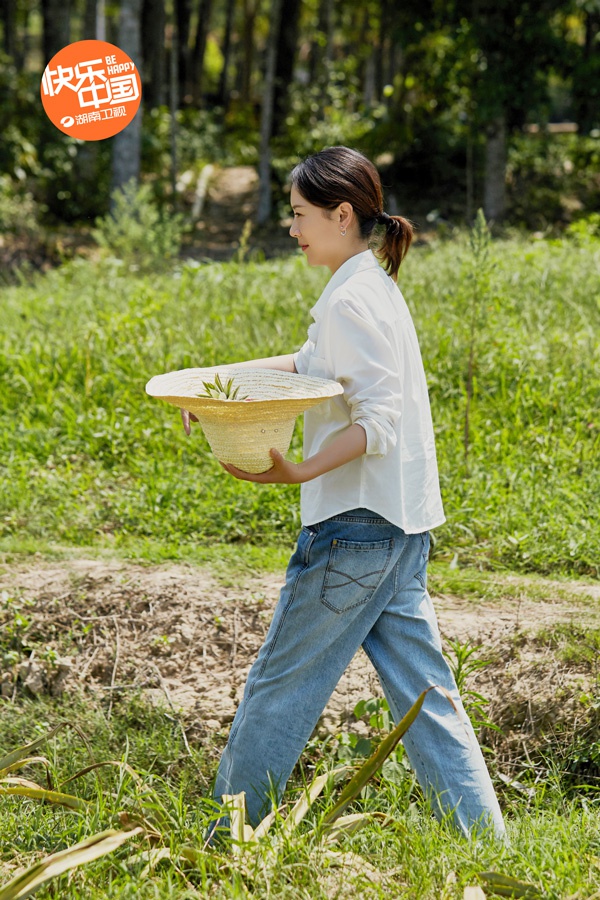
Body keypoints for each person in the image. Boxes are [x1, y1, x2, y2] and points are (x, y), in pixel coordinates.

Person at [183, 146, 505, 840]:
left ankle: (220, 843)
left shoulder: (353, 299)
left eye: (300, 215)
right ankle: (486, 844)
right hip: (400, 529)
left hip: (354, 530)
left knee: (279, 688)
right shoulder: (367, 286)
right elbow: (307, 367)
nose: (292, 228)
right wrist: (216, 381)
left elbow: (378, 421)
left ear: (341, 213)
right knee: (428, 696)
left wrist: (301, 471)